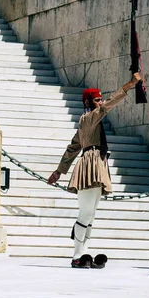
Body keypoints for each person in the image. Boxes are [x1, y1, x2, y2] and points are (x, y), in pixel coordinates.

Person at [48, 73, 141, 268]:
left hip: (97, 164)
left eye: (100, 99)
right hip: (90, 165)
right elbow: (110, 104)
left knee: (90, 214)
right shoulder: (89, 117)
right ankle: (77, 255)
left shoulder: (88, 121)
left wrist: (59, 171)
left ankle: (84, 253)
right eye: (97, 99)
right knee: (86, 212)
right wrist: (130, 84)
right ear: (88, 102)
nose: (100, 102)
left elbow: (73, 146)